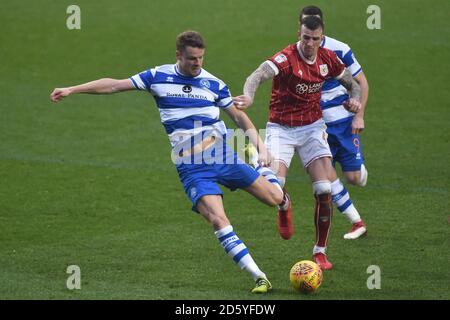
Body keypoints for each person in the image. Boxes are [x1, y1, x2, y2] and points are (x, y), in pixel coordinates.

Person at [50, 30, 291, 293]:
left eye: (200, 58)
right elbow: (114, 85)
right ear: (178, 55)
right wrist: (72, 89)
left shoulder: (215, 84)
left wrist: (261, 148)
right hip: (191, 166)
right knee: (218, 221)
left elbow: (239, 118)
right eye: (191, 59)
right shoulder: (157, 77)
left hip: (223, 154)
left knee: (274, 198)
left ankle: (258, 166)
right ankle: (259, 276)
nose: (197, 63)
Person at [233, 16, 362, 270]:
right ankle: (284, 203)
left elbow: (353, 84)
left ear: (321, 38)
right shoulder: (286, 58)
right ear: (299, 34)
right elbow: (258, 75)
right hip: (281, 128)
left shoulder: (328, 59)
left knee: (324, 189)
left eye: (315, 39)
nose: (310, 44)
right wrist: (248, 96)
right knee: (274, 188)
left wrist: (355, 100)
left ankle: (320, 252)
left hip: (313, 128)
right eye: (306, 38)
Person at [300, 6, 369, 240]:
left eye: (315, 32)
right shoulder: (295, 54)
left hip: (343, 122)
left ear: (322, 28)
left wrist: (359, 114)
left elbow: (361, 82)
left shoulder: (340, 49)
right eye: (305, 33)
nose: (310, 38)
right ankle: (357, 222)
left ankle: (357, 168)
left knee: (354, 178)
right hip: (316, 125)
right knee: (326, 177)